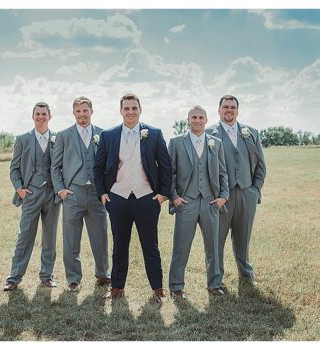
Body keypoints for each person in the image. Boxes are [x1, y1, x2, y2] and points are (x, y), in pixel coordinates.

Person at [94, 93, 172, 303]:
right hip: (117, 198)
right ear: (120, 110)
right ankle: (117, 287)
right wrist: (103, 194)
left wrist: (163, 194)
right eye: (126, 108)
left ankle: (158, 289)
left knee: (150, 245)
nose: (130, 112)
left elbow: (165, 166)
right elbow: (98, 167)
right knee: (119, 245)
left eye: (134, 108)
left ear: (140, 109)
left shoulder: (154, 134)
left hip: (147, 198)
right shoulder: (108, 135)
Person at [167, 106, 229, 298]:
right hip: (186, 202)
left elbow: (223, 172)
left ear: (206, 120)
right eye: (194, 117)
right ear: (188, 120)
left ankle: (214, 284)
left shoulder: (216, 143)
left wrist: (224, 196)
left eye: (201, 117)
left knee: (213, 246)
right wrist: (174, 197)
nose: (197, 120)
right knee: (181, 246)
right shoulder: (177, 142)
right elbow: (169, 173)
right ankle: (176, 286)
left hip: (211, 201)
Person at [51, 96, 110, 292]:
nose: (82, 114)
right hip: (73, 193)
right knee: (71, 239)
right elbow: (55, 166)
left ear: (92, 111)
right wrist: (61, 190)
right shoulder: (63, 135)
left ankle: (103, 274)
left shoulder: (103, 134)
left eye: (85, 110)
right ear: (73, 113)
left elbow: (111, 164)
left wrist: (106, 189)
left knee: (100, 237)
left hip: (96, 194)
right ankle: (73, 278)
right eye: (78, 111)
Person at [207, 95, 266, 285]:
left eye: (232, 107)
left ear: (237, 110)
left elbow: (261, 166)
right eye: (225, 107)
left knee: (243, 237)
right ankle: (216, 279)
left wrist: (254, 190)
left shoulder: (251, 133)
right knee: (217, 239)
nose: (229, 110)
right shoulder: (208, 133)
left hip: (247, 193)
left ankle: (246, 275)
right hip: (220, 197)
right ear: (219, 110)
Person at [4, 102, 60, 291]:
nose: (41, 117)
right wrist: (19, 189)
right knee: (25, 236)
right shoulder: (22, 139)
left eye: (44, 114)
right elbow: (14, 168)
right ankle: (14, 278)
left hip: (52, 194)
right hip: (30, 194)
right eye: (38, 114)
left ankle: (47, 276)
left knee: (50, 237)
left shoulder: (58, 138)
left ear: (49, 117)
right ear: (33, 116)